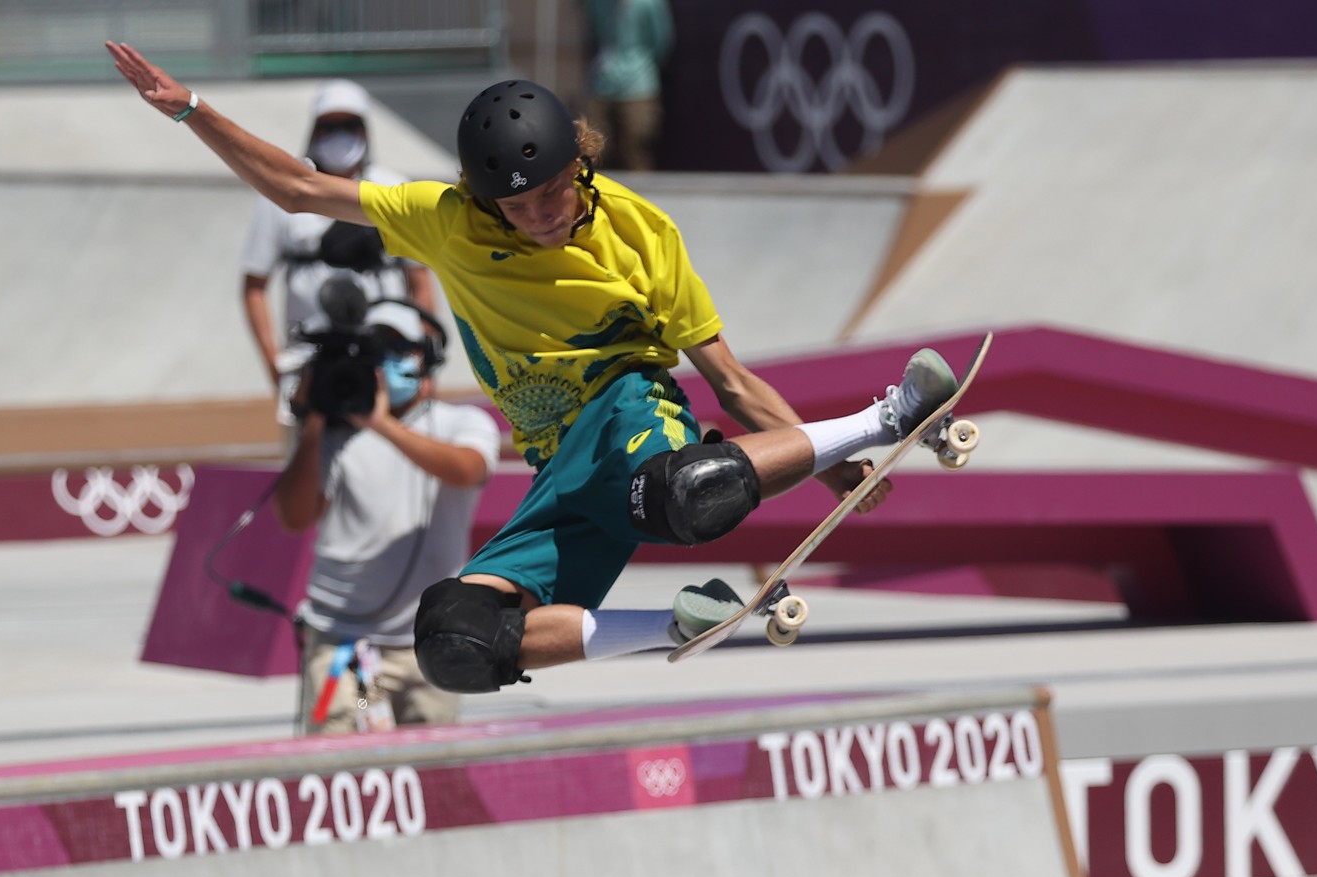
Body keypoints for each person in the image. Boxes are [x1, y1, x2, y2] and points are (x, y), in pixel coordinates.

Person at [107, 42, 961, 696]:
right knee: (455, 638)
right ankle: (676, 621)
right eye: (517, 208)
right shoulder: (443, 220)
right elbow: (297, 187)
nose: (542, 217)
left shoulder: (641, 234)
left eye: (553, 193)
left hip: (627, 411)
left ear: (579, 160)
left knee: (687, 495)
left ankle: (892, 412)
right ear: (484, 202)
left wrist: (832, 455)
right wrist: (191, 111)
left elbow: (730, 380)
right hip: (558, 468)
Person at [272, 294, 500, 732]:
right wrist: (313, 421)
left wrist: (382, 425)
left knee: (433, 775)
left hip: (430, 649)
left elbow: (468, 471)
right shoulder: (333, 434)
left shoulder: (461, 423)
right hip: (351, 654)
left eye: (400, 350)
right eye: (376, 352)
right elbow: (295, 517)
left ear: (426, 359)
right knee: (346, 758)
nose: (386, 363)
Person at [241, 78, 439, 428]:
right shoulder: (283, 192)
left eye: (350, 125)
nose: (339, 135)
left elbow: (419, 279)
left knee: (395, 453)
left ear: (366, 129)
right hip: (312, 362)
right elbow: (254, 284)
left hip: (386, 358)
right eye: (328, 126)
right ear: (313, 129)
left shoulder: (393, 188)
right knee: (311, 462)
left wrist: (422, 361)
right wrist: (275, 365)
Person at [584, 0, 674, 171]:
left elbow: (662, 39)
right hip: (601, 81)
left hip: (639, 83)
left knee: (638, 145)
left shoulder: (650, 3)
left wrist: (642, 64)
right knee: (592, 148)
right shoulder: (597, 3)